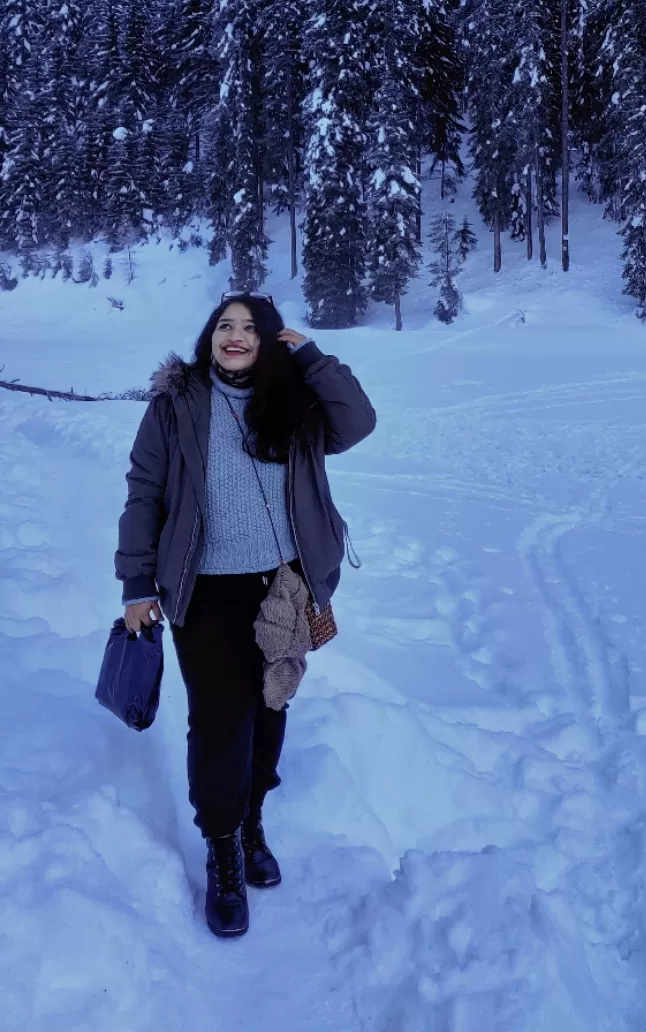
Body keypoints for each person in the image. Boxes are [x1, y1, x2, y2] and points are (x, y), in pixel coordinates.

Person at [114, 292, 376, 938]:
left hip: (283, 586)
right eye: (223, 326)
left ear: (268, 340)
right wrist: (136, 582)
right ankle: (224, 849)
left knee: (269, 707)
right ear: (208, 336)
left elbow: (359, 421)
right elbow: (144, 492)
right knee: (218, 721)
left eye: (250, 328)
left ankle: (252, 817)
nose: (234, 336)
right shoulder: (176, 406)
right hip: (203, 592)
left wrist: (310, 357)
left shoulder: (296, 402)